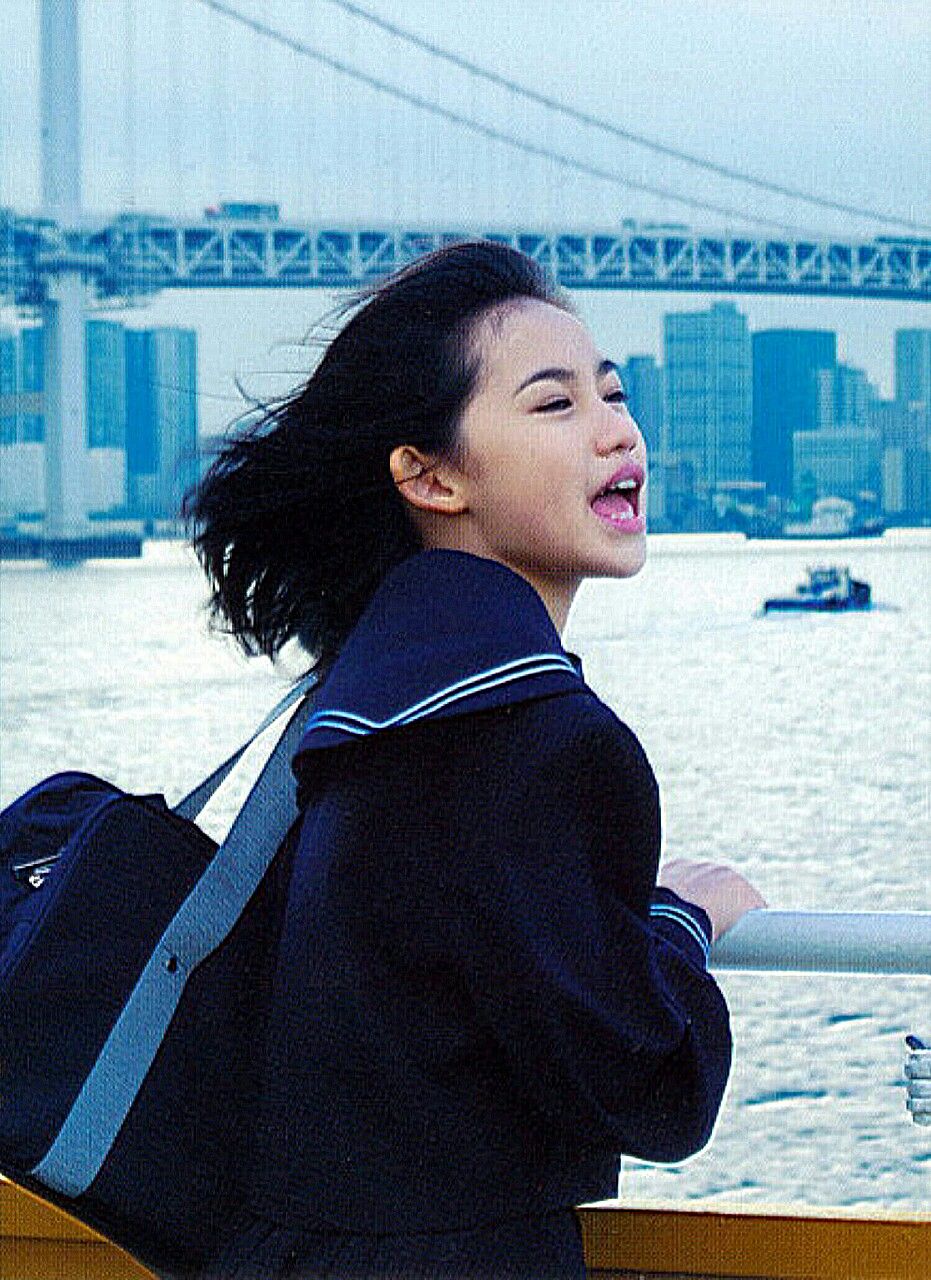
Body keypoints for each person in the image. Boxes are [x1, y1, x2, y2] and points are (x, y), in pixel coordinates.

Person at [186, 240, 766, 1279]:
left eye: (613, 393)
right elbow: (651, 1085)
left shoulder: (356, 706)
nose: (616, 430)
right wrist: (683, 918)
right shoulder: (541, 741)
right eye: (554, 405)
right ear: (431, 475)